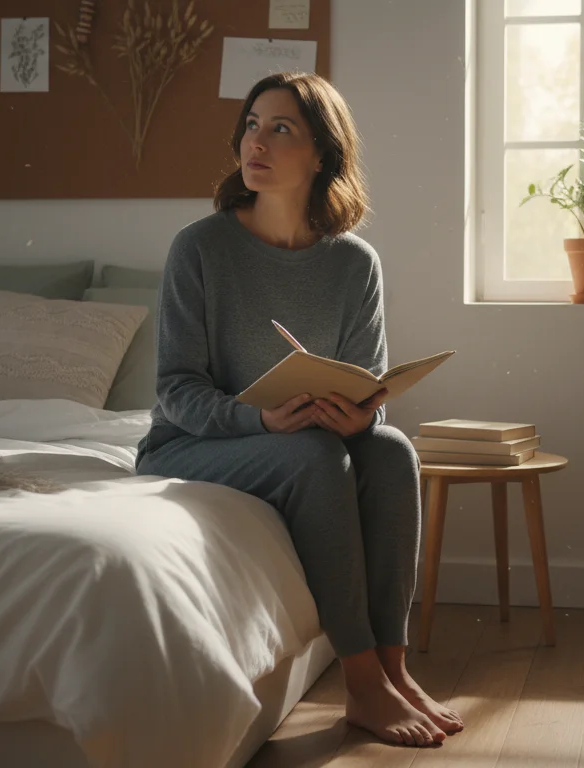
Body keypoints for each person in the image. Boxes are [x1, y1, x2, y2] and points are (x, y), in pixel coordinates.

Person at [134, 72, 464, 747]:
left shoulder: (354, 265)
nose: (256, 142)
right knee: (313, 455)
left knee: (393, 448)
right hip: (191, 442)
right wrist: (261, 420)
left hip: (300, 432)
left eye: (281, 128)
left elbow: (365, 384)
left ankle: (396, 670)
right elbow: (176, 389)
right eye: (252, 125)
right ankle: (362, 682)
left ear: (322, 154)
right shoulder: (199, 248)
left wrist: (360, 418)